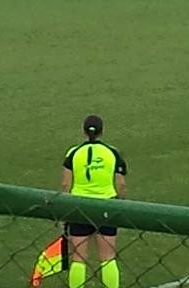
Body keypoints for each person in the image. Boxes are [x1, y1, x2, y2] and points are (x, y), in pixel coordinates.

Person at [62, 115, 127, 288]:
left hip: (79, 207)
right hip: (107, 207)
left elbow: (66, 184)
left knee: (78, 258)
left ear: (83, 131)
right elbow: (121, 183)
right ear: (102, 131)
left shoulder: (73, 152)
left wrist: (66, 210)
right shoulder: (112, 152)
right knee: (107, 257)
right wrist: (119, 203)